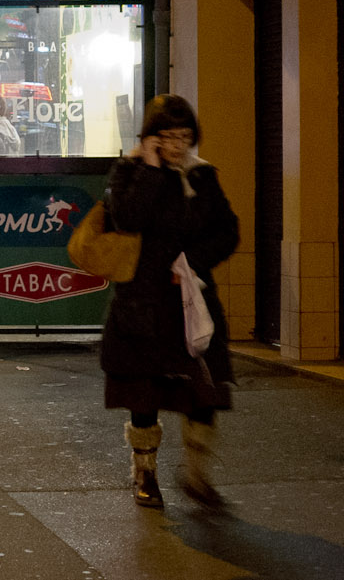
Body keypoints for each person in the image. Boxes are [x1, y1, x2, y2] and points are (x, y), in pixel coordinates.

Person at [101, 95, 239, 509]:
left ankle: (196, 474)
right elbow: (128, 219)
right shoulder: (129, 172)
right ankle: (145, 474)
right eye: (168, 137)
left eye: (185, 136)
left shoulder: (202, 176)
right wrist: (151, 168)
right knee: (143, 394)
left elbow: (228, 231)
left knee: (204, 392)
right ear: (150, 137)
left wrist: (193, 262)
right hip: (141, 305)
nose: (179, 145)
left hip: (192, 300)